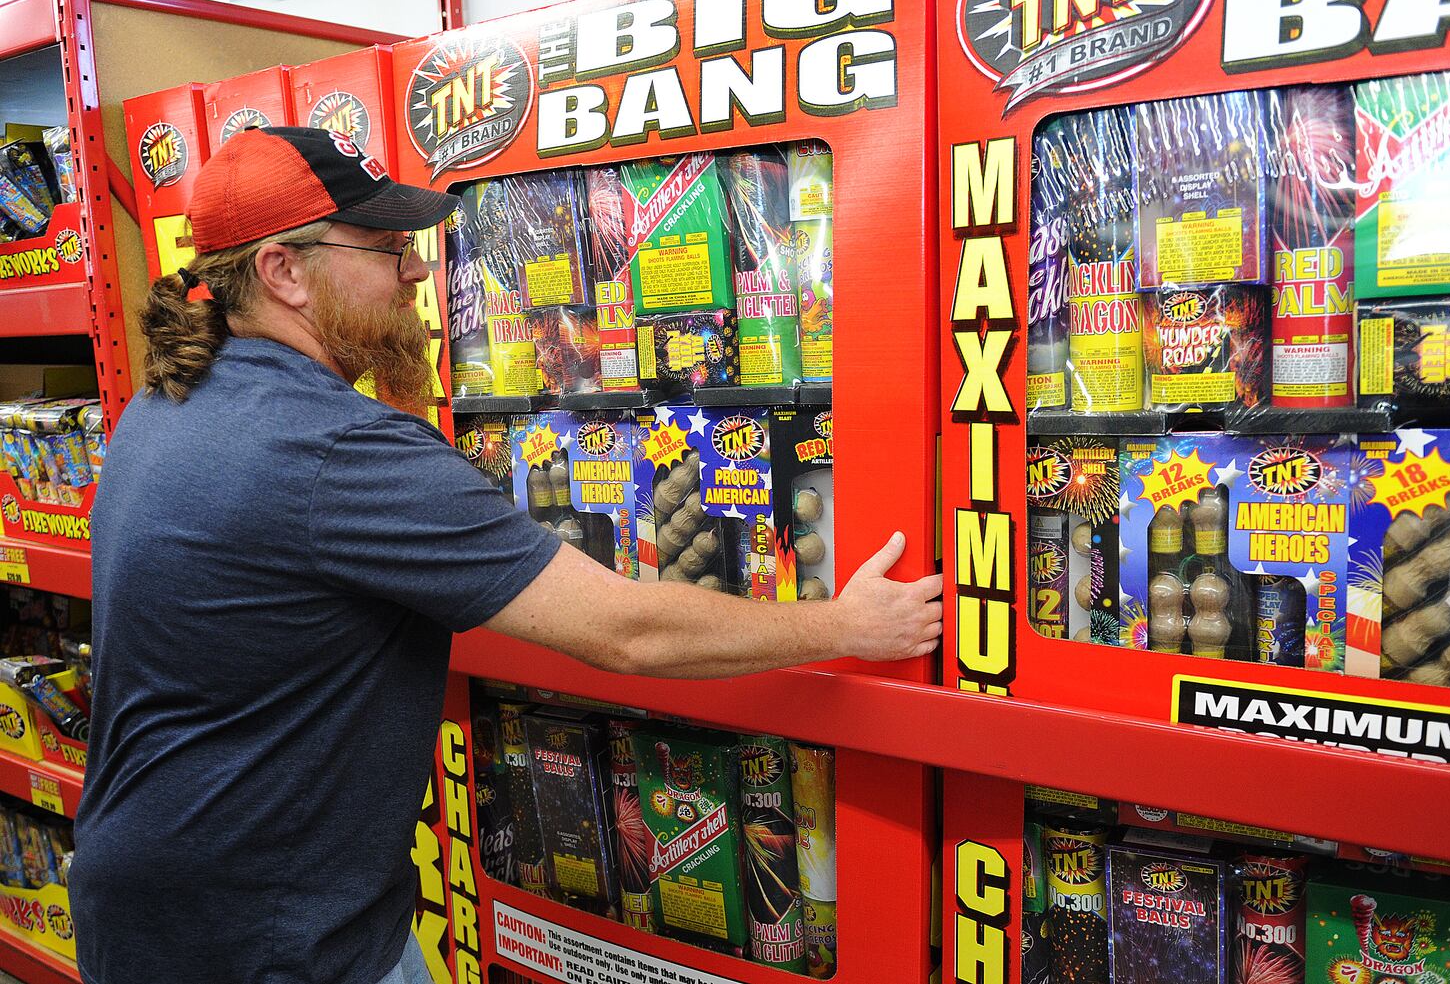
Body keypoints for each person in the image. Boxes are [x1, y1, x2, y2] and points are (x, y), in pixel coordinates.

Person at [70, 127, 941, 984]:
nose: (418, 270)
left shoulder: (166, 402)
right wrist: (845, 623)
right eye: (385, 248)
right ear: (284, 271)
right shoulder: (334, 449)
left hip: (148, 903)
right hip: (266, 940)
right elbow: (625, 631)